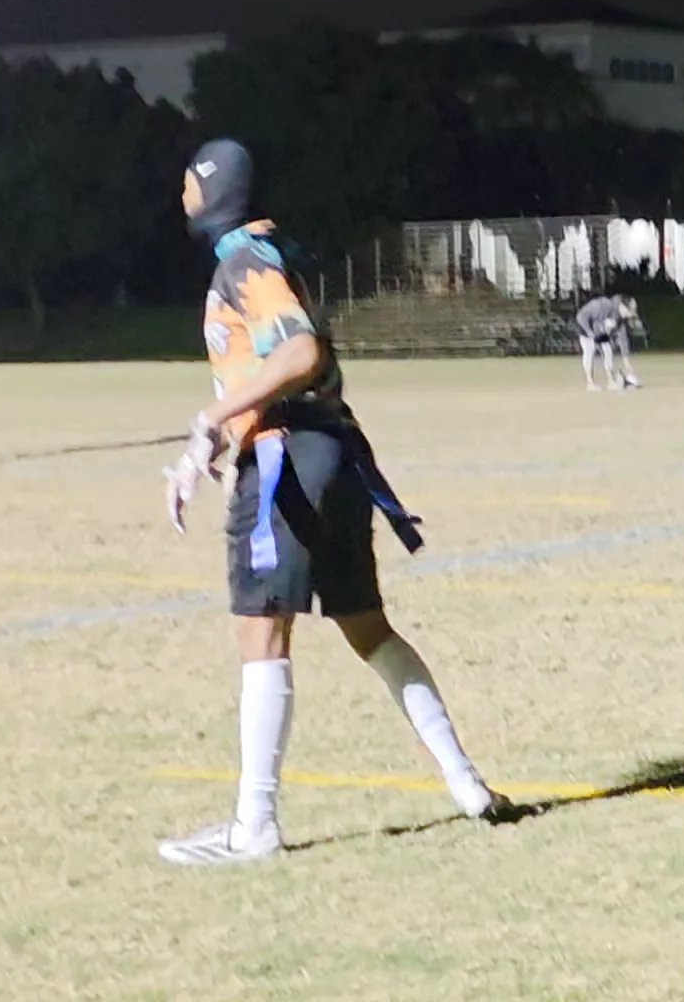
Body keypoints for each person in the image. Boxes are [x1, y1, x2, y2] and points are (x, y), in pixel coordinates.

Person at [156, 137, 520, 865]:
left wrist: (211, 419)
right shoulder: (267, 252)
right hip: (334, 453)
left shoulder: (243, 262)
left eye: (189, 182)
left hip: (289, 459)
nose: (181, 194)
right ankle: (466, 782)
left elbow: (299, 355)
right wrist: (212, 443)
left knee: (261, 636)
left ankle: (254, 825)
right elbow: (268, 370)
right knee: (369, 630)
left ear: (213, 188)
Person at [574, 290, 641, 391]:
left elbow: (622, 338)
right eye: (628, 312)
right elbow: (581, 316)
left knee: (607, 352)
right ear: (622, 306)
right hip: (586, 329)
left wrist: (625, 359)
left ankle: (611, 382)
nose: (629, 316)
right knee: (589, 352)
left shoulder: (620, 317)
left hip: (600, 332)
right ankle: (590, 383)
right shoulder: (602, 305)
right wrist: (589, 332)